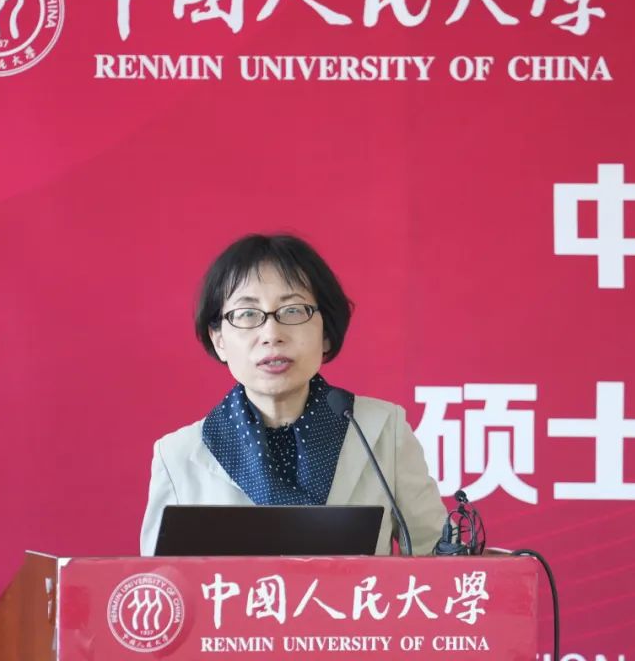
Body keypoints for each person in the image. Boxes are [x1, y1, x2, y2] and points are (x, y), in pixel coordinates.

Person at [140, 233, 447, 555]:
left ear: (326, 332)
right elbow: (162, 581)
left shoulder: (381, 429)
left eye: (293, 311)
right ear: (219, 340)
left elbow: (439, 559)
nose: (272, 334)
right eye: (247, 314)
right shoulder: (179, 454)